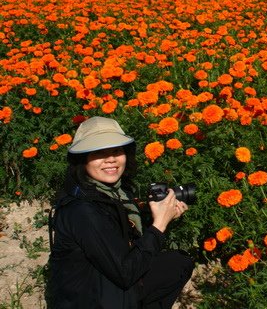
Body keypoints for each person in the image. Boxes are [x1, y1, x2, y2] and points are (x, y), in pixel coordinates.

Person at [48, 116, 194, 308]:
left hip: (105, 279)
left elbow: (121, 238)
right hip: (87, 297)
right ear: (82, 160)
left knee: (177, 263)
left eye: (116, 151)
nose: (111, 159)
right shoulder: (82, 209)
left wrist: (162, 216)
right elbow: (125, 273)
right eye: (99, 153)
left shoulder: (112, 191)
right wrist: (159, 226)